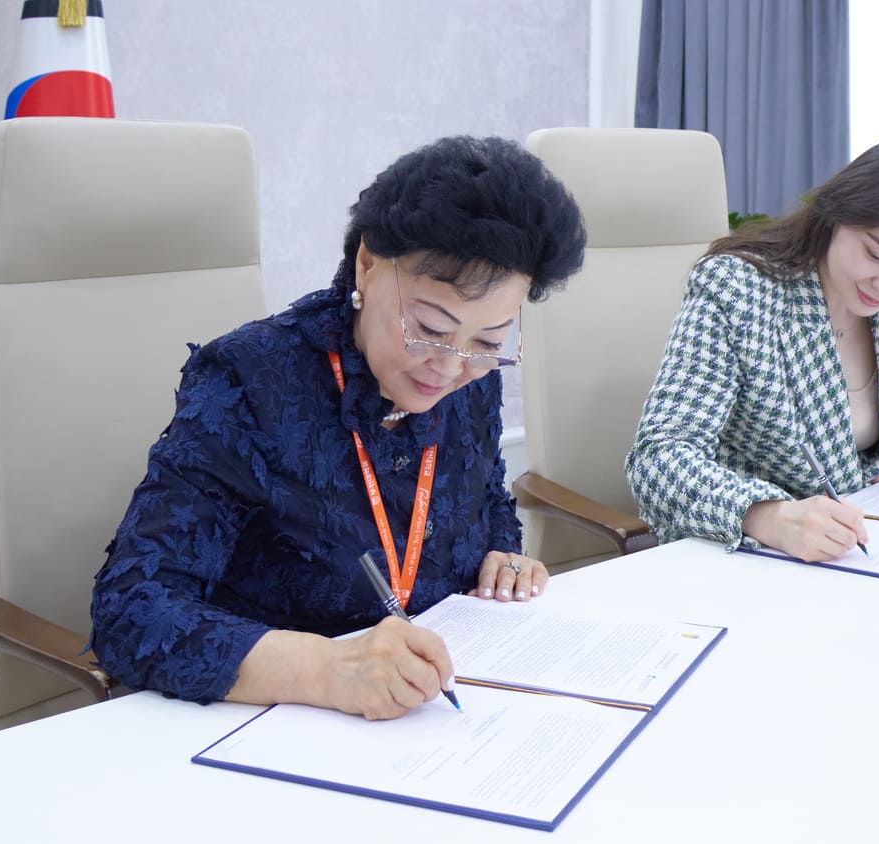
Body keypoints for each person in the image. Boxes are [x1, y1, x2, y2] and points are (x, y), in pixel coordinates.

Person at [91, 136, 586, 720]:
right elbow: (131, 610)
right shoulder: (250, 381)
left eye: (487, 341)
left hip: (436, 710)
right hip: (274, 721)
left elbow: (486, 497)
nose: (450, 367)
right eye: (430, 329)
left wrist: (502, 554)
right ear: (368, 265)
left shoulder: (470, 381)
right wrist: (328, 669)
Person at [626, 137, 879, 563]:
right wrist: (767, 515)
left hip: (846, 558)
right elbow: (657, 459)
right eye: (876, 254)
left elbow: (840, 426)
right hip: (735, 558)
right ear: (837, 214)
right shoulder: (738, 290)